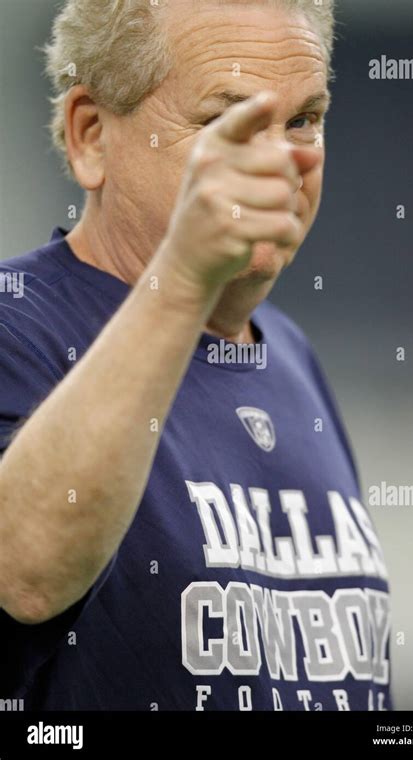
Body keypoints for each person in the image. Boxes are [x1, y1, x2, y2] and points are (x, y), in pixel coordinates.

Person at [0, 0, 391, 711]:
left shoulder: (292, 359)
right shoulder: (16, 322)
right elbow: (20, 578)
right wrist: (182, 277)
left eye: (303, 120)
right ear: (91, 136)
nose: (282, 161)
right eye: (225, 123)